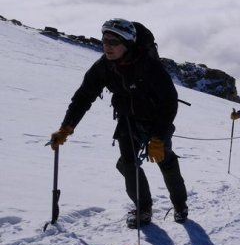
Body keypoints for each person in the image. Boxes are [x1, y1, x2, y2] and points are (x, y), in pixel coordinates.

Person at [50, 18, 189, 228]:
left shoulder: (150, 67)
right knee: (127, 164)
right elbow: (83, 97)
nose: (107, 46)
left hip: (157, 119)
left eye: (114, 42)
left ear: (128, 44)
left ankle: (180, 205)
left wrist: (158, 137)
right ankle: (143, 209)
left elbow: (169, 102)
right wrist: (66, 127)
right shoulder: (104, 67)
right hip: (128, 119)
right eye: (105, 40)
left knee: (164, 159)